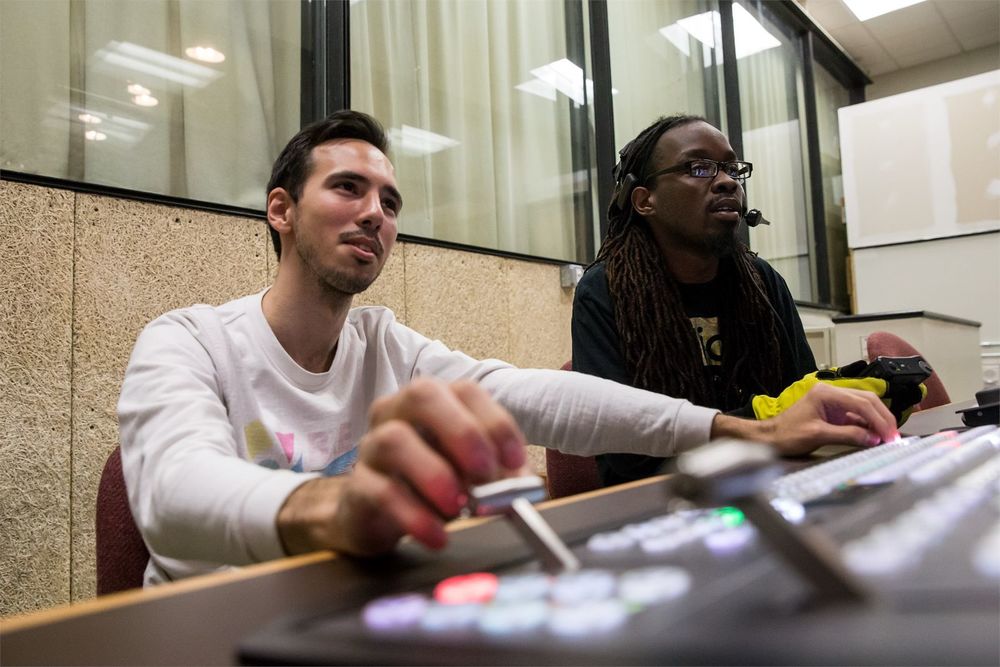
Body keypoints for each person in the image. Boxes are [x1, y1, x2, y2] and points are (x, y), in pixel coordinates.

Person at [118, 110, 897, 585]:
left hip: (345, 611)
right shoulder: (185, 340)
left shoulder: (388, 343)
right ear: (281, 210)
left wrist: (745, 430)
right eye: (347, 188)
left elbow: (537, 393)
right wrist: (333, 505)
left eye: (389, 200)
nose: (375, 213)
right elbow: (172, 495)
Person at [572, 114, 819, 487]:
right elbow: (623, 445)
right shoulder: (604, 289)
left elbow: (802, 399)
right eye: (699, 167)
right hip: (656, 499)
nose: (726, 182)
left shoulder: (763, 281)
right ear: (644, 200)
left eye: (731, 168)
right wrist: (766, 424)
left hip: (770, 481)